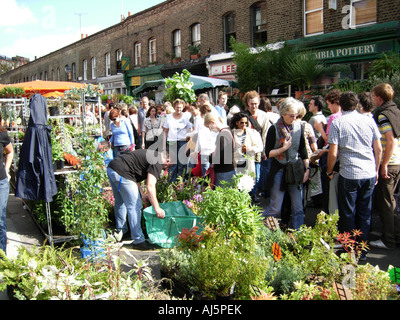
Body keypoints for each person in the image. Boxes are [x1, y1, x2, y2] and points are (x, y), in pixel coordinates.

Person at [327, 91, 382, 259]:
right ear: (357, 104)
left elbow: (333, 153)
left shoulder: (338, 123)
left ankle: (349, 248)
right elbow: (378, 149)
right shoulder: (369, 121)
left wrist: (329, 171)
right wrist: (377, 170)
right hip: (368, 172)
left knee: (347, 212)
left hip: (349, 172)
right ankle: (362, 250)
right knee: (365, 212)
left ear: (341, 105)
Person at [107, 149, 171, 250]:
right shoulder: (158, 161)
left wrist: (141, 194)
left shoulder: (152, 155)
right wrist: (157, 208)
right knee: (135, 206)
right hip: (123, 172)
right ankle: (138, 240)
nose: (166, 169)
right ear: (167, 160)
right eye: (169, 166)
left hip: (112, 168)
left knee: (121, 202)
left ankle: (121, 233)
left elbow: (134, 175)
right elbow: (150, 186)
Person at [262, 97, 310, 230]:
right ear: (283, 114)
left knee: (298, 207)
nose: (294, 118)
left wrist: (307, 168)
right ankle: (258, 226)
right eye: (291, 115)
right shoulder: (274, 129)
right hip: (279, 169)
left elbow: (303, 149)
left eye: (296, 115)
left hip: (295, 169)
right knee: (275, 207)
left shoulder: (299, 127)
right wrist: (283, 149)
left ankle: (298, 235)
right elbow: (268, 153)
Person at [370, 83, 400, 250]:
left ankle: (389, 240)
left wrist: (384, 165)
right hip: (397, 161)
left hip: (390, 163)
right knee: (391, 201)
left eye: (374, 96)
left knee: (386, 203)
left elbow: (390, 141)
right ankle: (395, 235)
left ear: (379, 98)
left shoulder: (383, 115)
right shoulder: (396, 111)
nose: (372, 99)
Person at [243, 90, 275, 204]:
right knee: (247, 173)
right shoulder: (244, 115)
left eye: (256, 103)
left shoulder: (263, 115)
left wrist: (265, 150)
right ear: (247, 103)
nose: (254, 106)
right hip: (246, 149)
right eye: (251, 104)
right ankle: (248, 195)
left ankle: (253, 193)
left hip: (258, 148)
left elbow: (265, 133)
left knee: (257, 174)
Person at [163, 99, 193, 182]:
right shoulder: (169, 117)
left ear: (183, 107)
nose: (178, 109)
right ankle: (171, 184)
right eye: (177, 107)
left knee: (181, 164)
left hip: (182, 141)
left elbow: (189, 132)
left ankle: (180, 184)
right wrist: (164, 146)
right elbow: (165, 131)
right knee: (172, 164)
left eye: (180, 107)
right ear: (174, 107)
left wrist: (188, 145)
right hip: (172, 141)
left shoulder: (186, 117)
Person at [204, 113, 236, 187]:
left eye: (209, 127)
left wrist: (209, 157)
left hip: (223, 172)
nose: (210, 130)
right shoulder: (228, 131)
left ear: (213, 123)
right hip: (228, 169)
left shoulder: (222, 135)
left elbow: (219, 157)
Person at [230, 112, 263, 184]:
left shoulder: (253, 132)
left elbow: (260, 147)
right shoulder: (231, 133)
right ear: (237, 123)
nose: (244, 125)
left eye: (246, 123)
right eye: (242, 123)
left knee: (252, 181)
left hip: (249, 163)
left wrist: (250, 148)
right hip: (236, 164)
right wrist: (240, 150)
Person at [0, 117, 13, 255]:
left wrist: (7, 169)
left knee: (0, 220)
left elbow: (10, 152)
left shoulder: (2, 135)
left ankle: (2, 258)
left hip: (1, 183)